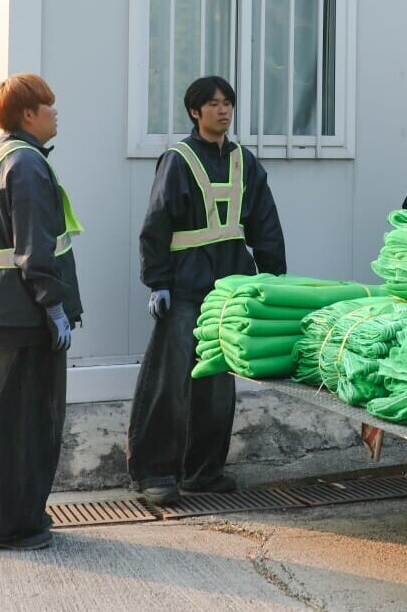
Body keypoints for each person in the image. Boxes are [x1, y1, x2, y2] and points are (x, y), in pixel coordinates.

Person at [130, 75, 286, 506]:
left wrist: (273, 280)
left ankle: (204, 472)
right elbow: (155, 226)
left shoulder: (244, 162)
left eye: (228, 103)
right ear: (195, 112)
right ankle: (156, 474)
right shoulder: (178, 160)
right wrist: (157, 282)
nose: (223, 110)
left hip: (232, 288)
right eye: (213, 104)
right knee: (170, 382)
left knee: (217, 381)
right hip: (183, 288)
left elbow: (266, 226)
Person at [0, 74, 82, 551]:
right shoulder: (28, 165)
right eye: (48, 105)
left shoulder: (0, 156)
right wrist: (54, 307)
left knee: (9, 419)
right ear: (28, 115)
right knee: (28, 423)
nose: (56, 112)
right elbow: (35, 250)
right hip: (26, 315)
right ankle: (12, 527)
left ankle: (8, 518)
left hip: (1, 309)